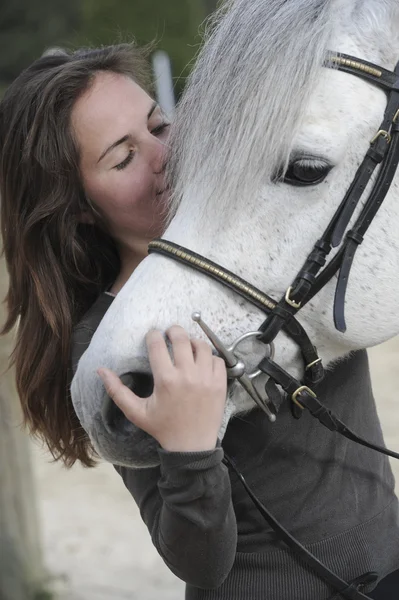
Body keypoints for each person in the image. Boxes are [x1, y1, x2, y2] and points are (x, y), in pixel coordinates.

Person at [1, 44, 398, 600]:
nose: (163, 153)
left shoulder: (276, 232)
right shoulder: (113, 345)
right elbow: (199, 562)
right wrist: (190, 449)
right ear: (80, 207)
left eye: (159, 124)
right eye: (123, 157)